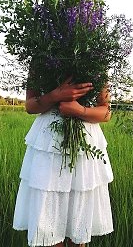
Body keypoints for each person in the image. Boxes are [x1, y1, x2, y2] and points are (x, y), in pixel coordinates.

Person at [13, 77, 114, 247]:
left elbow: (106, 112)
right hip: (47, 144)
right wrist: (54, 96)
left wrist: (80, 110)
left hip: (85, 145)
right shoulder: (40, 56)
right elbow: (30, 105)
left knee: (78, 222)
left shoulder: (97, 56)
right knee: (48, 223)